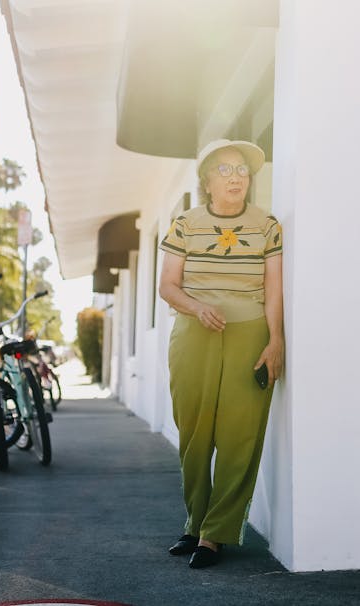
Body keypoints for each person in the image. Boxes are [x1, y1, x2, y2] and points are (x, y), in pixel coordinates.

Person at [158, 138, 285, 569]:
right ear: (207, 180)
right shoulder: (185, 224)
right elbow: (167, 286)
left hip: (250, 334)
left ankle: (216, 535)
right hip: (194, 333)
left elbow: (273, 290)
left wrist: (275, 339)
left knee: (239, 436)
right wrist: (197, 307)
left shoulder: (267, 225)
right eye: (226, 170)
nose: (236, 178)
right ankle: (195, 522)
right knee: (194, 434)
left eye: (242, 170)